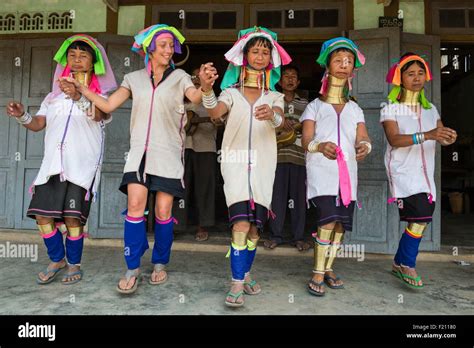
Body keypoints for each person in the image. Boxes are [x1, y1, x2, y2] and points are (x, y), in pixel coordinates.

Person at [62, 24, 207, 294]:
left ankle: (160, 262)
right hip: (139, 154)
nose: (167, 50)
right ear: (149, 49)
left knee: (163, 212)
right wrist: (82, 91)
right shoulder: (133, 78)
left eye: (170, 46)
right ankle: (132, 266)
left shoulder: (181, 78)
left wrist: (206, 85)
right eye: (162, 45)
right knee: (134, 207)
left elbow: (195, 98)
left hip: (168, 154)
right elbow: (106, 106)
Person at [5, 34, 117, 285]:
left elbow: (98, 116)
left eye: (83, 56)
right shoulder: (52, 98)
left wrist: (79, 96)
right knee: (43, 217)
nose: (77, 60)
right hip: (51, 167)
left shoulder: (103, 96)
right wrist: (22, 115)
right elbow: (37, 124)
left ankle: (74, 264)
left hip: (81, 167)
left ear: (93, 62)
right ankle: (56, 258)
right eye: (72, 55)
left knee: (72, 219)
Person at [199, 26, 291, 307]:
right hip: (235, 165)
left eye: (266, 51)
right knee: (240, 223)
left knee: (254, 230)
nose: (261, 55)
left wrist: (273, 118)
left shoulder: (274, 97)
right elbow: (215, 112)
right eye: (255, 50)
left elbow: (281, 121)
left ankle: (246, 273)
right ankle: (237, 283)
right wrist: (206, 89)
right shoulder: (230, 93)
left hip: (264, 166)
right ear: (244, 55)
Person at [301, 37, 371, 296]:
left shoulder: (355, 108)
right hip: (322, 172)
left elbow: (363, 136)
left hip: (348, 175)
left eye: (349, 61)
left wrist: (365, 146)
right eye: (339, 60)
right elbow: (305, 141)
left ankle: (329, 268)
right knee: (328, 221)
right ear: (327, 67)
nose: (344, 64)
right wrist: (319, 147)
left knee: (341, 225)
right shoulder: (314, 106)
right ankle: (318, 272)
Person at [381, 53, 457, 289]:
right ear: (400, 78)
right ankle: (407, 265)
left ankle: (397, 262)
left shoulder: (431, 109)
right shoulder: (391, 108)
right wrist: (428, 135)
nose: (416, 78)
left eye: (420, 73)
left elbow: (440, 135)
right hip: (403, 173)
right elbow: (394, 139)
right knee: (420, 217)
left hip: (426, 175)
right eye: (410, 73)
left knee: (420, 219)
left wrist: (447, 138)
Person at [265, 65, 310, 251]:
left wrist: (298, 126)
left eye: (294, 76)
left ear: (298, 82)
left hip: (300, 156)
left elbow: (311, 129)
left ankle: (298, 237)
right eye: (286, 76)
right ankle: (276, 235)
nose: (290, 79)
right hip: (276, 156)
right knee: (277, 198)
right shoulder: (272, 101)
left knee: (299, 200)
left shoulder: (306, 104)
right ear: (279, 81)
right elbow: (265, 126)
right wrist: (282, 125)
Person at [174, 67, 220, 242]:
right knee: (180, 187)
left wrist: (212, 120)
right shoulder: (181, 102)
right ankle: (176, 224)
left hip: (206, 148)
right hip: (182, 148)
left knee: (205, 188)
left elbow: (220, 121)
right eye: (194, 77)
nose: (196, 80)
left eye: (200, 77)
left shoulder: (212, 102)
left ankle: (203, 224)